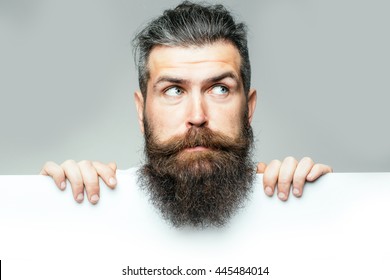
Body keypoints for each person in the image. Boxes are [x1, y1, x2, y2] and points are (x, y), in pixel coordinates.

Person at [41, 1, 332, 227]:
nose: (197, 116)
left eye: (219, 89)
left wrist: (326, 199)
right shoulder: (90, 206)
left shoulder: (300, 205)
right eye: (174, 90)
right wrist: (50, 201)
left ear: (249, 107)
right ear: (141, 110)